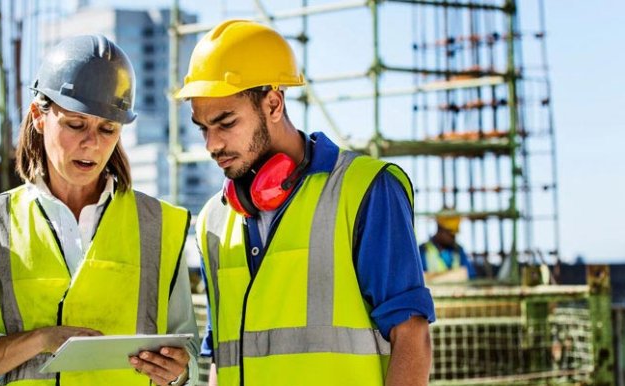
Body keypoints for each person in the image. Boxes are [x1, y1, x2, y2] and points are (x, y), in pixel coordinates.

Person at [176, 20, 435, 386]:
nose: (211, 145)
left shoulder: (367, 190)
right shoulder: (212, 221)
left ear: (274, 103)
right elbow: (224, 358)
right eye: (203, 128)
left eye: (226, 123)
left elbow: (412, 337)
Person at [0, 35, 199, 386]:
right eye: (75, 125)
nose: (91, 143)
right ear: (38, 117)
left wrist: (180, 371)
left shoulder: (160, 226)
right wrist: (43, 340)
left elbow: (189, 356)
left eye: (107, 129)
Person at [420, 210, 476, 281]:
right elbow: (420, 279)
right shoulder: (423, 251)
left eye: (454, 234)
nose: (453, 237)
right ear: (440, 229)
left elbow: (470, 276)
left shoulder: (458, 250)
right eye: (450, 233)